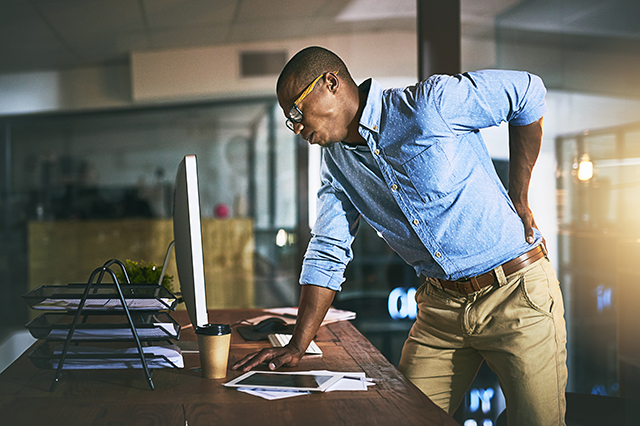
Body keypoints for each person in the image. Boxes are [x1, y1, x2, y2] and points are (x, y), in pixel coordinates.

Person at [232, 46, 567, 426]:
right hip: (441, 308)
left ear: (330, 84)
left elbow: (527, 92)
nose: (295, 127)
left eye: (296, 112)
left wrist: (518, 196)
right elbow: (328, 249)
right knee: (398, 418)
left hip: (516, 295)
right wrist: (297, 343)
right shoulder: (336, 164)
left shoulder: (428, 105)